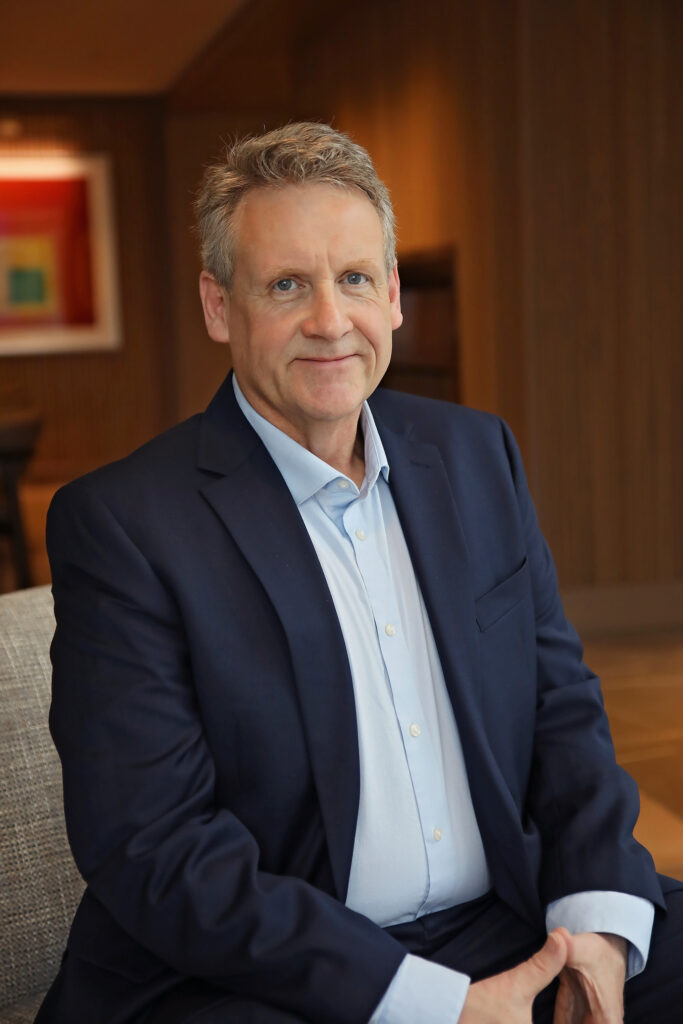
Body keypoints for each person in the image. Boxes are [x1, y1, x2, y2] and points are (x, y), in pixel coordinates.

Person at [36, 122, 681, 1024]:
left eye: (353, 280)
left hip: (503, 920)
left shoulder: (476, 453)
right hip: (262, 973)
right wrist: (432, 1006)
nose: (329, 322)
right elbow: (155, 848)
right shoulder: (124, 525)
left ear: (393, 298)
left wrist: (597, 932)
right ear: (219, 307)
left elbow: (559, 713)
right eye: (287, 285)